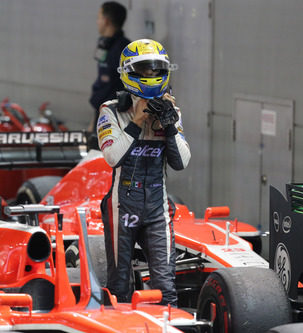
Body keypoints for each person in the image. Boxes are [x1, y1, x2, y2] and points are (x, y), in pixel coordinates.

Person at [98, 39, 191, 306]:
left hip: (157, 210)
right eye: (144, 70)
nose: (151, 76)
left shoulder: (172, 111)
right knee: (118, 289)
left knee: (165, 289)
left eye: (156, 70)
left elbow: (181, 163)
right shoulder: (111, 111)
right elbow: (113, 157)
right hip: (121, 209)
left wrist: (170, 127)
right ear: (129, 71)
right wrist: (137, 122)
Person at [89, 1, 130, 137]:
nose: (97, 22)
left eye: (98, 18)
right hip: (100, 113)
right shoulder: (104, 44)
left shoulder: (123, 49)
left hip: (115, 119)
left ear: (106, 20)